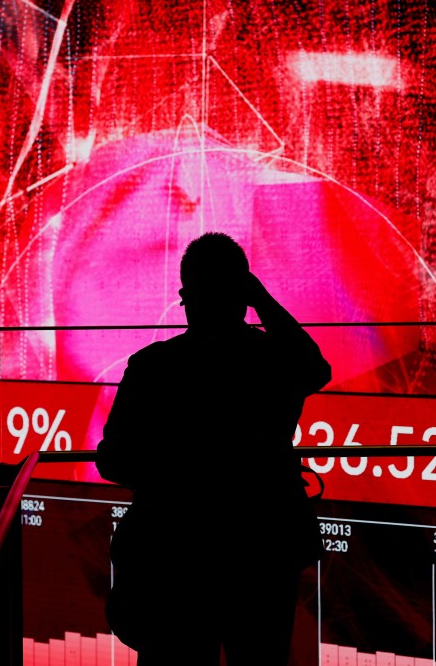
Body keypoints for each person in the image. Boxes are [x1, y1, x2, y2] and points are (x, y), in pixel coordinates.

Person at [96, 232, 332, 665]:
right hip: (262, 554)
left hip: (173, 561)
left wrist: (168, 480)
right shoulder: (271, 361)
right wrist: (260, 296)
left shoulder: (153, 367)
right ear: (243, 294)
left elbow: (112, 459)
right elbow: (315, 368)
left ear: (187, 297)